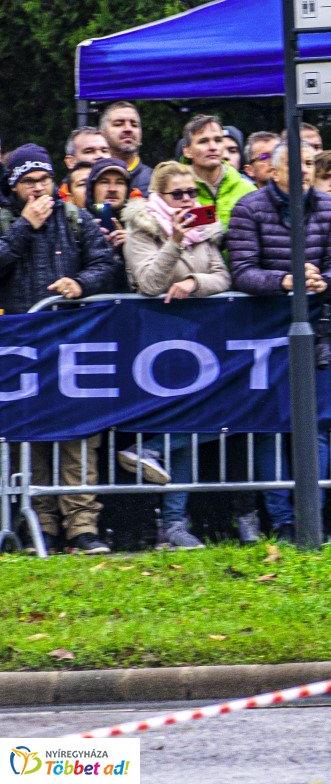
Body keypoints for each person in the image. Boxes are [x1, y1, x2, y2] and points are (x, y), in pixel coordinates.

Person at [0, 145, 121, 554]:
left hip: (72, 342)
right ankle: (43, 523)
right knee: (29, 435)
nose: (37, 190)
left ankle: (82, 525)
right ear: (13, 187)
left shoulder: (75, 217)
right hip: (21, 346)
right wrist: (23, 229)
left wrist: (81, 284)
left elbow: (107, 263)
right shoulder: (6, 221)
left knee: (78, 434)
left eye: (44, 180)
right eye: (28, 182)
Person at [227, 141, 331, 537]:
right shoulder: (249, 208)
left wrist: (323, 282)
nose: (305, 171)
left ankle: (309, 518)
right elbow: (242, 271)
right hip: (264, 331)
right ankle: (281, 519)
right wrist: (284, 281)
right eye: (296, 165)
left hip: (317, 329)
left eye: (310, 163)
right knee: (270, 425)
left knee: (314, 424)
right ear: (274, 171)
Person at [119, 160, 233, 549]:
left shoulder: (205, 230)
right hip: (155, 342)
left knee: (203, 421)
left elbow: (222, 277)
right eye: (178, 194)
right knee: (188, 422)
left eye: (192, 193)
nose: (187, 200)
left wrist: (191, 282)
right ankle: (165, 519)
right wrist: (175, 242)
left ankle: (174, 521)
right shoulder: (142, 228)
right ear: (159, 195)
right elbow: (148, 281)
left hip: (200, 339)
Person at [183, 115, 256, 231]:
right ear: (187, 151)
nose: (213, 147)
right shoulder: (177, 193)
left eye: (218, 140)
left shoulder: (248, 190)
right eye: (203, 141)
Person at [99, 100, 152, 194]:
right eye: (119, 124)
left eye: (134, 125)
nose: (128, 129)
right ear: (102, 134)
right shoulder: (90, 178)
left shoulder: (155, 181)